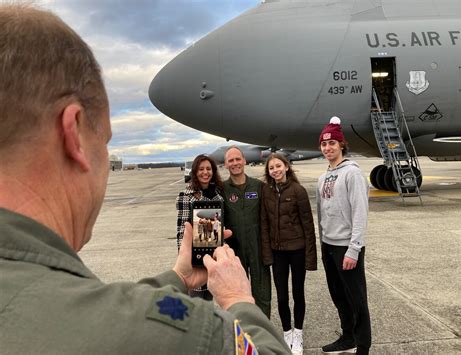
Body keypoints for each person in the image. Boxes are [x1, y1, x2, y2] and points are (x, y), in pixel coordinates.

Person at [0, 4, 291, 354]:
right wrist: (237, 299)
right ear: (73, 135)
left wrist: (179, 277)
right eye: (104, 141)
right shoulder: (182, 334)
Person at [316, 117, 371, 355]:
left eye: (332, 144)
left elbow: (360, 212)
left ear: (341, 145)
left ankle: (364, 345)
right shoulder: (323, 176)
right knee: (339, 296)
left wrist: (354, 248)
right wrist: (322, 244)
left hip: (346, 246)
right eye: (324, 144)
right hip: (328, 245)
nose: (328, 148)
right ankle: (347, 337)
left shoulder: (352, 174)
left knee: (357, 299)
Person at [261, 153, 318, 355]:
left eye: (278, 166)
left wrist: (311, 259)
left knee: (298, 293)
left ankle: (298, 333)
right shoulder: (266, 192)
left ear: (286, 167)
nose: (275, 170)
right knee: (282, 297)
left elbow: (308, 226)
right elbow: (264, 226)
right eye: (271, 168)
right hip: (278, 254)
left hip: (297, 251)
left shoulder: (298, 191)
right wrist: (267, 255)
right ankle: (287, 333)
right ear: (268, 172)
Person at [223, 146, 272, 318]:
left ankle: (263, 330)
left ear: (244, 161)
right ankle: (241, 332)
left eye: (238, 159)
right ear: (226, 164)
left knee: (262, 293)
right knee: (237, 294)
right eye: (231, 160)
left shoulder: (259, 187)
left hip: (258, 248)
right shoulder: (221, 190)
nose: (235, 163)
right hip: (235, 251)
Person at [176, 154, 223, 300]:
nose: (205, 172)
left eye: (208, 169)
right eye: (201, 169)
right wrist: (184, 258)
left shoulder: (218, 196)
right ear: (195, 172)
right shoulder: (186, 196)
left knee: (209, 301)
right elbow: (181, 231)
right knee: (195, 301)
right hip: (195, 258)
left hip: (213, 255)